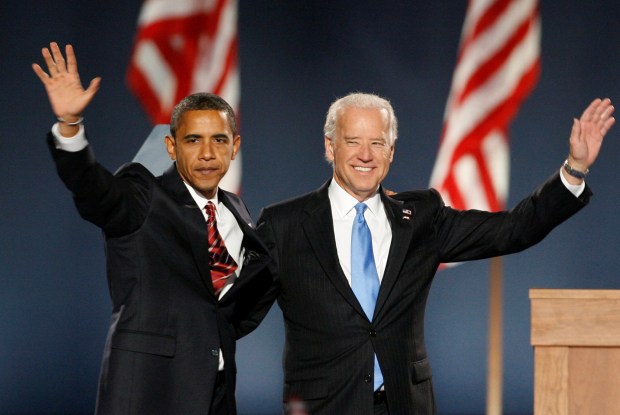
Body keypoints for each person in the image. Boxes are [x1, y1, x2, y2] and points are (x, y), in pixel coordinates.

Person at [249, 92, 615, 414]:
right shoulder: (285, 225)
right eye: (352, 141)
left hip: (405, 405)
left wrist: (575, 168)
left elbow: (513, 230)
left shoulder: (421, 217)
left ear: (391, 152)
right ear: (330, 147)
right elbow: (238, 311)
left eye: (377, 143)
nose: (365, 155)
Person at [33, 42, 272, 415]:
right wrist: (70, 127)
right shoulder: (144, 194)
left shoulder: (236, 208)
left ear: (235, 146)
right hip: (149, 392)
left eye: (219, 140)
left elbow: (232, 300)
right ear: (171, 147)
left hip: (217, 394)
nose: (207, 153)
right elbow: (96, 192)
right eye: (193, 140)